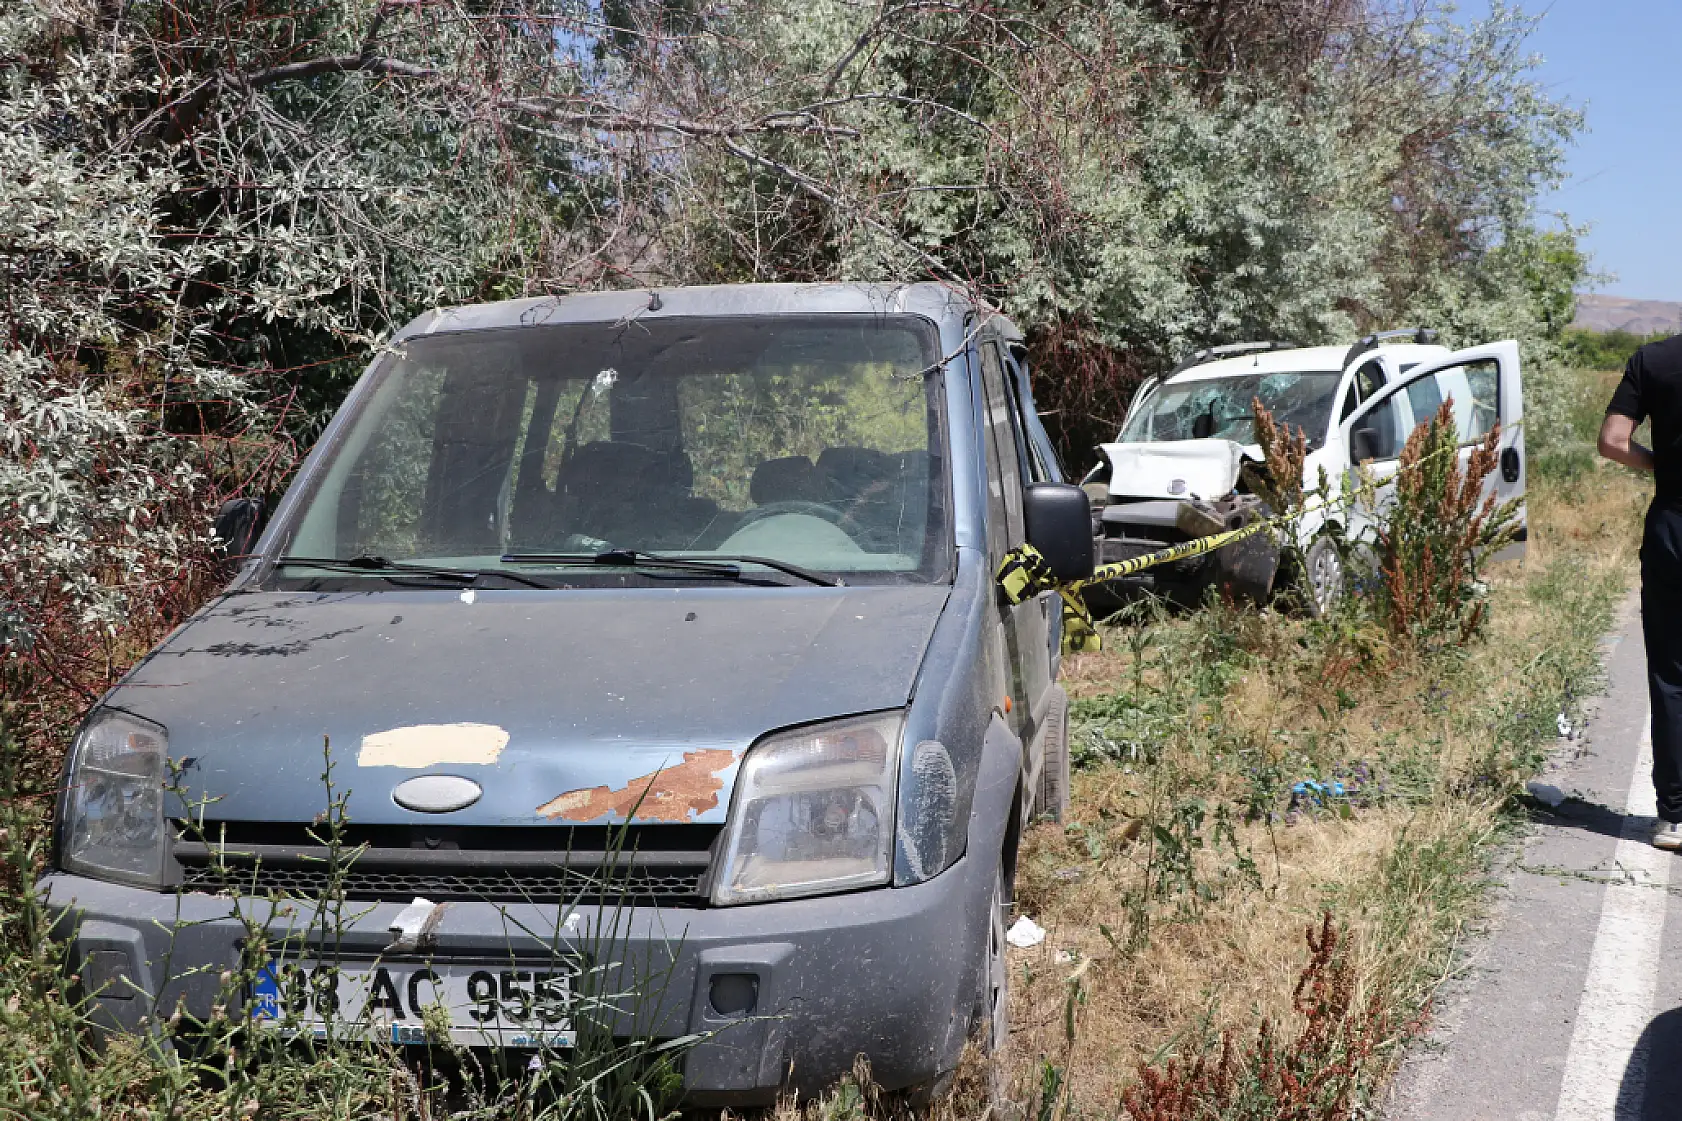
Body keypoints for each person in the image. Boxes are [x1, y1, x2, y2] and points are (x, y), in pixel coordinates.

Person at [1601, 333, 1682, 849]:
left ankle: (1675, 815)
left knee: (1672, 674)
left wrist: (1661, 464)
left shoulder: (1653, 360)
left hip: (1672, 526)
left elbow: (1613, 441)